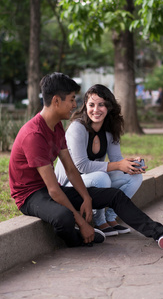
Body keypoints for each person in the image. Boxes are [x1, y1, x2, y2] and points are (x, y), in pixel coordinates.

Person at [9, 72, 163, 249]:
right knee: (64, 217)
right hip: (30, 196)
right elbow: (53, 189)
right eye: (71, 100)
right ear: (56, 101)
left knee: (113, 195)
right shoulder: (34, 134)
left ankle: (161, 234)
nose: (75, 105)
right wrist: (83, 223)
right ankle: (81, 238)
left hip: (52, 189)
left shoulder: (57, 126)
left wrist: (87, 198)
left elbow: (70, 169)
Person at [54, 84, 145, 237]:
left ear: (108, 107)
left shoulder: (109, 129)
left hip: (92, 180)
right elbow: (82, 166)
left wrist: (131, 164)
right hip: (69, 185)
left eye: (101, 105)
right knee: (101, 177)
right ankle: (99, 220)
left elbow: (116, 160)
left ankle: (111, 218)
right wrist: (118, 165)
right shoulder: (77, 128)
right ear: (85, 106)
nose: (96, 110)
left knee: (135, 176)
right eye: (91, 105)